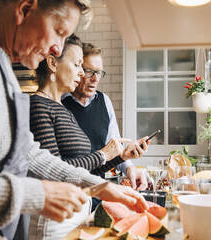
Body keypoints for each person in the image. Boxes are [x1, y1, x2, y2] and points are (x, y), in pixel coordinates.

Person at [0, 0, 147, 239]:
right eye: (58, 31)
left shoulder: (2, 67)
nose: (56, 48)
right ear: (25, 9)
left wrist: (99, 186)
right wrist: (36, 194)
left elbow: (28, 155)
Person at [28, 34, 148, 239]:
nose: (82, 73)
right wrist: (102, 154)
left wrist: (120, 158)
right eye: (77, 65)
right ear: (52, 63)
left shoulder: (61, 109)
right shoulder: (39, 106)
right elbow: (55, 171)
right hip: (55, 221)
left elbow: (84, 169)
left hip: (76, 212)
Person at [62, 42, 149, 190]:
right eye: (89, 71)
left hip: (99, 193)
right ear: (78, 70)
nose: (95, 79)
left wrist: (129, 168)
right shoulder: (61, 103)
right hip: (69, 197)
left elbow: (115, 149)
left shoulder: (104, 102)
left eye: (99, 72)